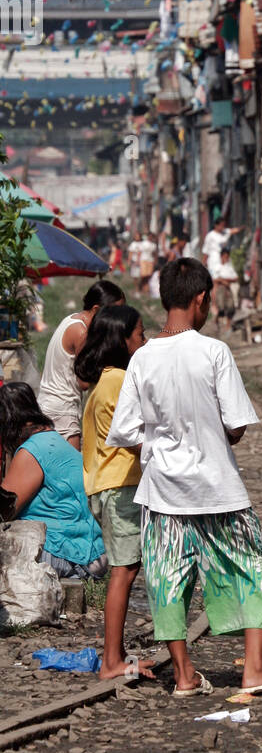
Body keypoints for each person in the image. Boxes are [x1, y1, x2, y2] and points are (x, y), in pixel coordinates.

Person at [106, 258, 262, 697]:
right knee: (253, 569)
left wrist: (157, 448)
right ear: (201, 299)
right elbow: (237, 427)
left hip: (162, 493)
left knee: (167, 579)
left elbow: (124, 431)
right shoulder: (214, 352)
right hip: (218, 490)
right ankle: (255, 668)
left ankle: (185, 674)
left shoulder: (142, 359)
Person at [74, 304, 154, 682]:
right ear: (122, 340)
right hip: (120, 486)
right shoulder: (119, 381)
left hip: (105, 485)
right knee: (124, 571)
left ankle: (116, 654)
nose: (145, 340)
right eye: (139, 334)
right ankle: (111, 661)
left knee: (125, 567)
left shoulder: (102, 380)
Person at [0, 384, 107, 580]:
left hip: (66, 552)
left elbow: (4, 510)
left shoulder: (31, 452)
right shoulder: (54, 441)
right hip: (91, 551)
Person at [37, 279, 125, 450]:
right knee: (72, 471)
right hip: (62, 408)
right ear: (96, 310)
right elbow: (84, 382)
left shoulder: (72, 319)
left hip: (50, 403)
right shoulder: (82, 332)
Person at [213, 248, 239, 335]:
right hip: (220, 289)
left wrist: (225, 280)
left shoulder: (229, 267)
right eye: (225, 256)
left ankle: (228, 326)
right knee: (221, 308)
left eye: (227, 257)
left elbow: (235, 277)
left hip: (228, 289)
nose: (226, 258)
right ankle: (216, 322)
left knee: (230, 307)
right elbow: (215, 279)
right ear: (221, 256)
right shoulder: (217, 266)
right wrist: (223, 281)